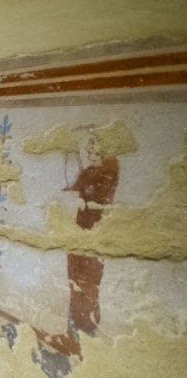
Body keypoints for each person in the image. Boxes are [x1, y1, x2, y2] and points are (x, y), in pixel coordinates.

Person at [62, 133, 118, 335]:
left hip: (95, 235)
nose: (88, 150)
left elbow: (107, 205)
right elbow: (74, 189)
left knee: (89, 283)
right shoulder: (87, 172)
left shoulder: (109, 173)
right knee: (74, 280)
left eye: (92, 145)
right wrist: (78, 198)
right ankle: (72, 333)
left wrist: (88, 204)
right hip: (79, 232)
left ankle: (87, 333)